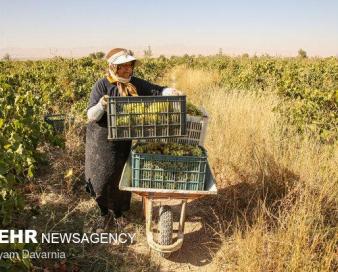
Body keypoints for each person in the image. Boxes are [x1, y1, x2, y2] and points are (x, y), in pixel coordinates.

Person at [85, 48, 181, 232]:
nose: (128, 69)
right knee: (101, 178)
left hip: (123, 140)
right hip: (101, 141)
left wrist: (170, 91)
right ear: (114, 67)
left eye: (130, 65)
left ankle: (119, 214)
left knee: (121, 177)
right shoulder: (102, 85)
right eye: (123, 66)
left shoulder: (134, 84)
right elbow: (91, 115)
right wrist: (102, 105)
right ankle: (103, 214)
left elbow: (155, 90)